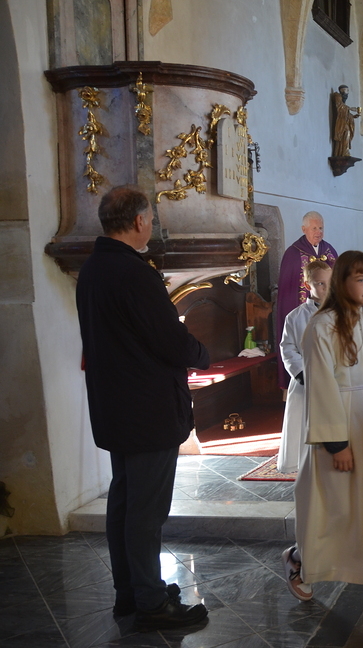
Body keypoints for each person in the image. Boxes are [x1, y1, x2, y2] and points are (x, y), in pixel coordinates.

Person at [76, 186, 210, 630]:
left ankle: (130, 593)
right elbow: (170, 340)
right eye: (150, 217)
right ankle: (151, 603)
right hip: (147, 411)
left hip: (116, 407)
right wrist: (200, 352)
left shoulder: (93, 268)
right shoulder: (134, 272)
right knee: (146, 513)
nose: (150, 223)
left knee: (124, 505)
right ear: (138, 221)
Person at [281, 251, 363, 613]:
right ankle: (300, 562)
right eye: (360, 279)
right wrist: (336, 443)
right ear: (342, 282)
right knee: (337, 508)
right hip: (341, 426)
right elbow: (322, 387)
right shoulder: (322, 325)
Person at [276, 260, 333, 473]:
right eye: (320, 283)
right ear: (307, 284)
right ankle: (303, 465)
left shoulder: (341, 312)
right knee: (303, 427)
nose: (326, 288)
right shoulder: (295, 316)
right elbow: (288, 347)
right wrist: (302, 374)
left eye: (329, 283)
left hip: (335, 379)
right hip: (306, 382)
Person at [275, 211, 338, 389]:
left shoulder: (329, 250)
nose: (319, 232)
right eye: (314, 228)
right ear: (304, 229)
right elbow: (287, 288)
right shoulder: (293, 253)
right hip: (302, 311)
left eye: (321, 228)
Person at [333, 84, 361, 157]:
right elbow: (340, 108)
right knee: (346, 132)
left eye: (348, 91)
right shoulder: (338, 97)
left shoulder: (343, 102)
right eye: (346, 90)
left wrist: (353, 116)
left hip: (344, 122)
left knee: (347, 134)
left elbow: (345, 114)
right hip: (341, 123)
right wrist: (350, 108)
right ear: (341, 90)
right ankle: (343, 152)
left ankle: (344, 151)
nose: (347, 92)